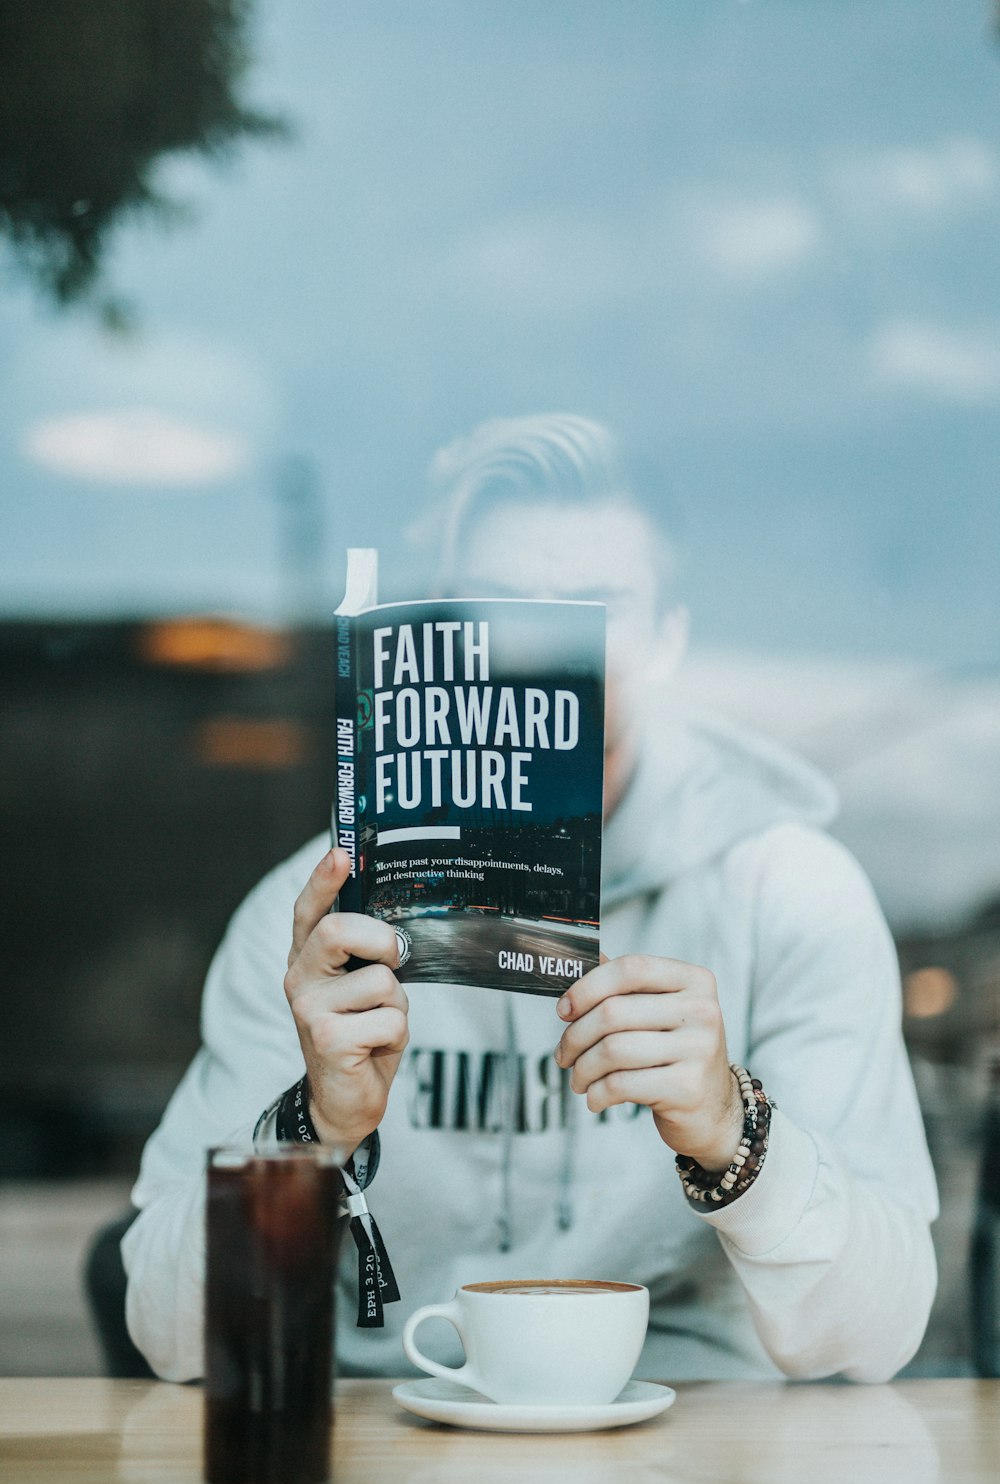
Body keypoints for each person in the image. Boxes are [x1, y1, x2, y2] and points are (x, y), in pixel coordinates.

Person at [123, 413, 938, 1383]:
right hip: (393, 1449)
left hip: (699, 1450)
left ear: (669, 638)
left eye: (595, 610)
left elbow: (880, 1336)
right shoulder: (319, 916)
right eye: (508, 609)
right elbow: (167, 1335)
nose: (551, 654)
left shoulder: (787, 896)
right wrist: (313, 1128)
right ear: (441, 629)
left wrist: (732, 1133)